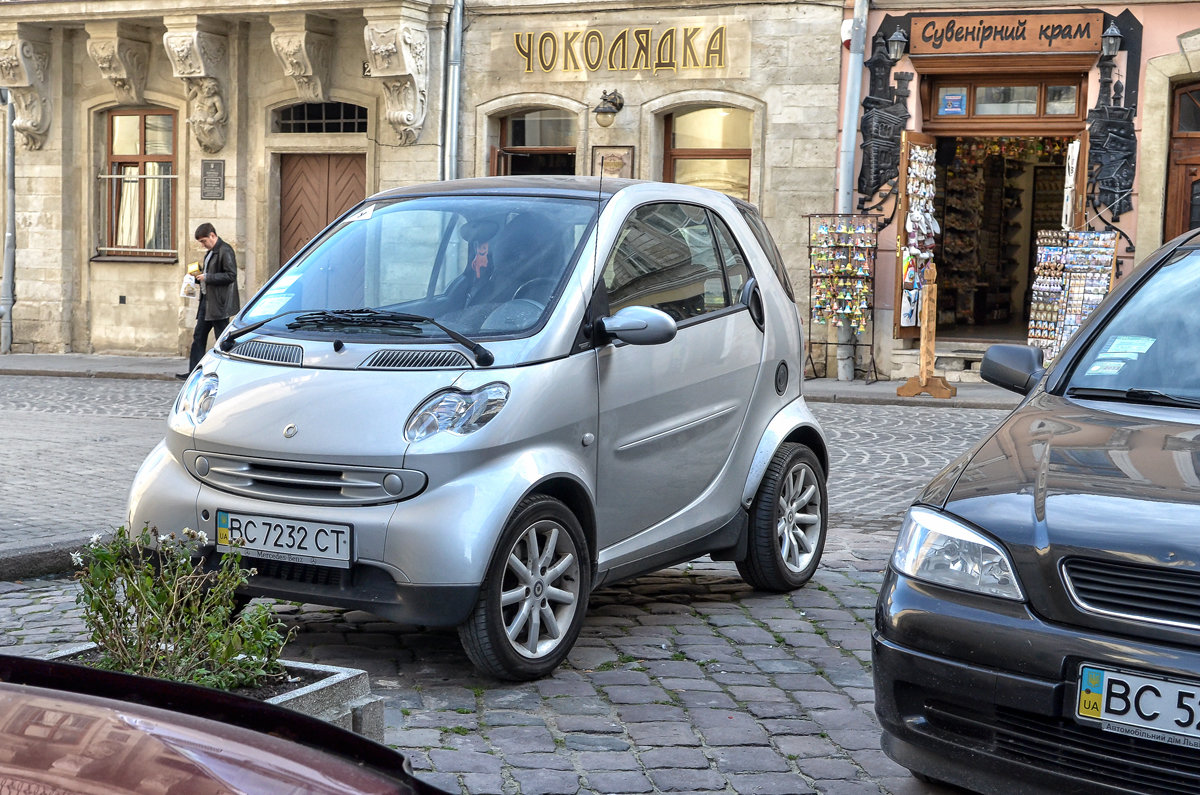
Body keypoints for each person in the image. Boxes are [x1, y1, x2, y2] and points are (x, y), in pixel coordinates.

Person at [177, 223, 240, 379]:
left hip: (219, 304)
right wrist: (197, 278)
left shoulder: (225, 250)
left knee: (222, 340)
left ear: (212, 235)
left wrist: (208, 277)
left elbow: (231, 275)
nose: (203, 245)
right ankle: (194, 373)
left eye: (204, 241)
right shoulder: (211, 252)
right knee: (198, 337)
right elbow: (209, 276)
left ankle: (229, 370)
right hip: (207, 302)